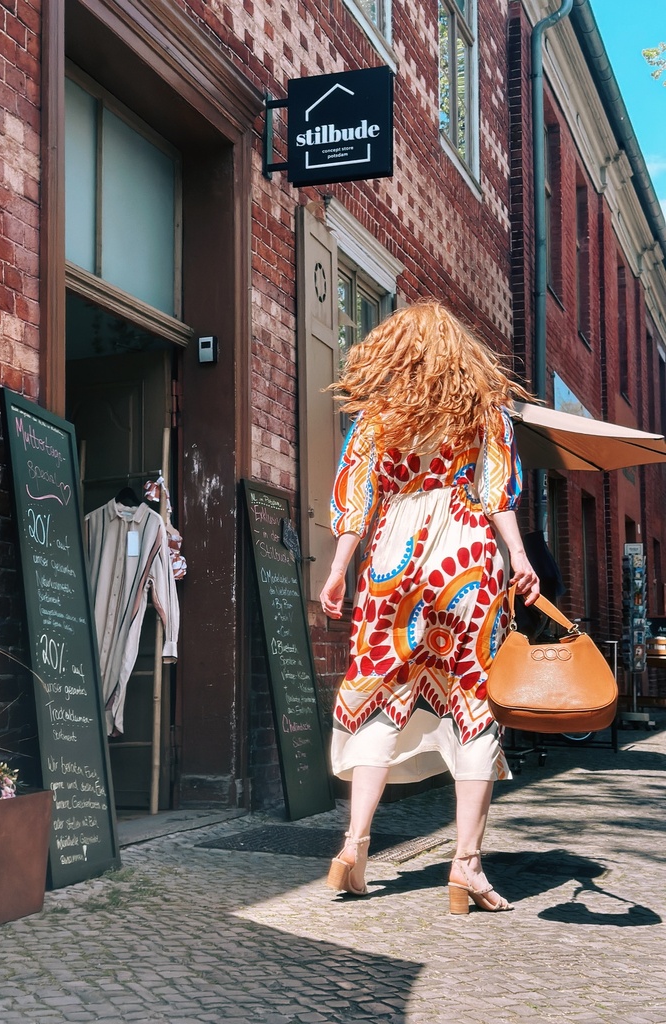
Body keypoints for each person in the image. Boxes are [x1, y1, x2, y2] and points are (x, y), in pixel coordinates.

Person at [319, 300, 540, 914]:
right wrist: (518, 557)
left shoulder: (376, 420)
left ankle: (355, 844)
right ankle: (465, 866)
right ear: (459, 355)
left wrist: (339, 571)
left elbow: (355, 501)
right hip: (464, 560)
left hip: (393, 558)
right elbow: (497, 494)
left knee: (379, 694)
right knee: (474, 700)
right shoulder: (483, 413)